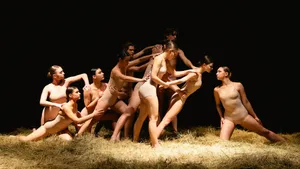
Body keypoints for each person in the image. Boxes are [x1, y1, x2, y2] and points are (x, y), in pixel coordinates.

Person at [136, 40, 196, 148]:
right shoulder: (158, 58)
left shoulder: (165, 61)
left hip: (149, 88)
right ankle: (155, 145)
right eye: (175, 54)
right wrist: (165, 84)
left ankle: (134, 141)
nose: (174, 57)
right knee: (153, 118)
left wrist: (189, 71)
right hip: (149, 88)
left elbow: (175, 73)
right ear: (171, 51)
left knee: (142, 117)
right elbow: (154, 76)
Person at [76, 51, 150, 135]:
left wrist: (151, 56)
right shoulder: (115, 70)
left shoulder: (125, 65)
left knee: (128, 112)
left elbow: (139, 60)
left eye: (128, 60)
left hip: (114, 99)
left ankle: (121, 136)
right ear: (120, 60)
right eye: (126, 60)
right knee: (94, 119)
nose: (127, 62)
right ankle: (78, 135)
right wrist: (141, 79)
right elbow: (125, 78)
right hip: (106, 100)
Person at [213, 66, 286, 143]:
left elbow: (246, 102)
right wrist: (221, 117)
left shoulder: (238, 85)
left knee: (265, 132)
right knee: (222, 142)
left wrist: (255, 116)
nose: (216, 73)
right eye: (217, 72)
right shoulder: (217, 89)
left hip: (242, 116)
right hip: (229, 118)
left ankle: (285, 143)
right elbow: (218, 105)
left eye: (219, 71)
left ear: (226, 73)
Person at [110, 44, 163, 141]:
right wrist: (152, 56)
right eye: (156, 47)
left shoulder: (159, 60)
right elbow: (138, 62)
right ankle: (117, 136)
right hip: (131, 89)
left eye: (159, 47)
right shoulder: (124, 65)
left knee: (146, 115)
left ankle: (150, 137)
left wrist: (151, 54)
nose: (157, 48)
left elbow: (140, 62)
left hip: (142, 88)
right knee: (129, 112)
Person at [155, 55, 214, 139]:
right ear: (204, 65)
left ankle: (159, 137)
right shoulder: (195, 73)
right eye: (210, 66)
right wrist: (167, 84)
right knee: (166, 120)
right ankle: (154, 140)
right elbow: (181, 80)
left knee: (169, 118)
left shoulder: (198, 73)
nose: (212, 68)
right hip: (179, 98)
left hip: (179, 97)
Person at [12, 86, 99, 141]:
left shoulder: (75, 105)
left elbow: (75, 117)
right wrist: (93, 114)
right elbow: (77, 121)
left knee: (69, 141)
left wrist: (79, 128)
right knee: (25, 140)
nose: (79, 93)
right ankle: (11, 138)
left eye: (79, 91)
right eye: (77, 92)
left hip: (60, 131)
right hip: (48, 129)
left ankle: (54, 138)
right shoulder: (66, 107)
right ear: (70, 95)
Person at [157, 28, 197, 135]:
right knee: (159, 104)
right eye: (172, 35)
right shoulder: (160, 50)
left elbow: (185, 60)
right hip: (160, 78)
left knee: (174, 103)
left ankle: (175, 130)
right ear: (167, 36)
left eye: (175, 35)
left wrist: (192, 67)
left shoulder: (178, 50)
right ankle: (158, 129)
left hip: (172, 77)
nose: (175, 37)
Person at [78, 68, 120, 138]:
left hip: (102, 112)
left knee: (115, 116)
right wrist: (98, 97)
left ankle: (116, 137)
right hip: (90, 114)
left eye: (102, 72)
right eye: (100, 72)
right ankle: (80, 134)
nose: (103, 73)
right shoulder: (88, 89)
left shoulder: (106, 86)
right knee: (87, 134)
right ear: (94, 77)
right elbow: (87, 106)